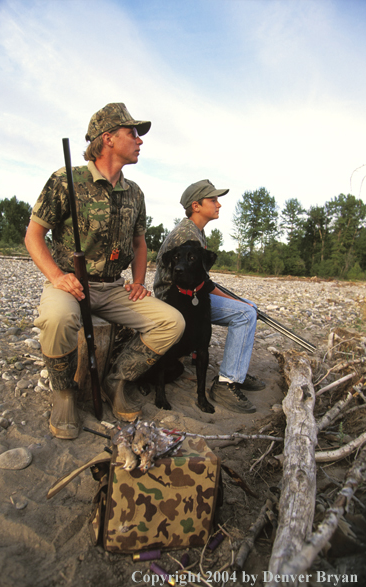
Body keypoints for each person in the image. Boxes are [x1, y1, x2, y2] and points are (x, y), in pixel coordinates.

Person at [25, 103, 185, 439]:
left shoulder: (135, 193)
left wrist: (139, 282)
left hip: (114, 288)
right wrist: (57, 277)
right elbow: (33, 235)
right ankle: (66, 394)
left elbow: (140, 243)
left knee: (172, 322)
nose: (140, 141)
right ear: (108, 138)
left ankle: (117, 381)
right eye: (133, 133)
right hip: (70, 284)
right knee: (56, 320)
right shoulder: (66, 180)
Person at [154, 179, 265, 414]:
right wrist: (238, 303)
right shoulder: (187, 234)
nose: (219, 205)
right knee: (245, 313)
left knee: (249, 306)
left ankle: (237, 372)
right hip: (176, 298)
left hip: (190, 293)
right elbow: (195, 280)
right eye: (213, 200)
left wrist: (238, 300)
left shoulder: (196, 230)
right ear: (196, 205)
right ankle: (227, 384)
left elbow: (203, 279)